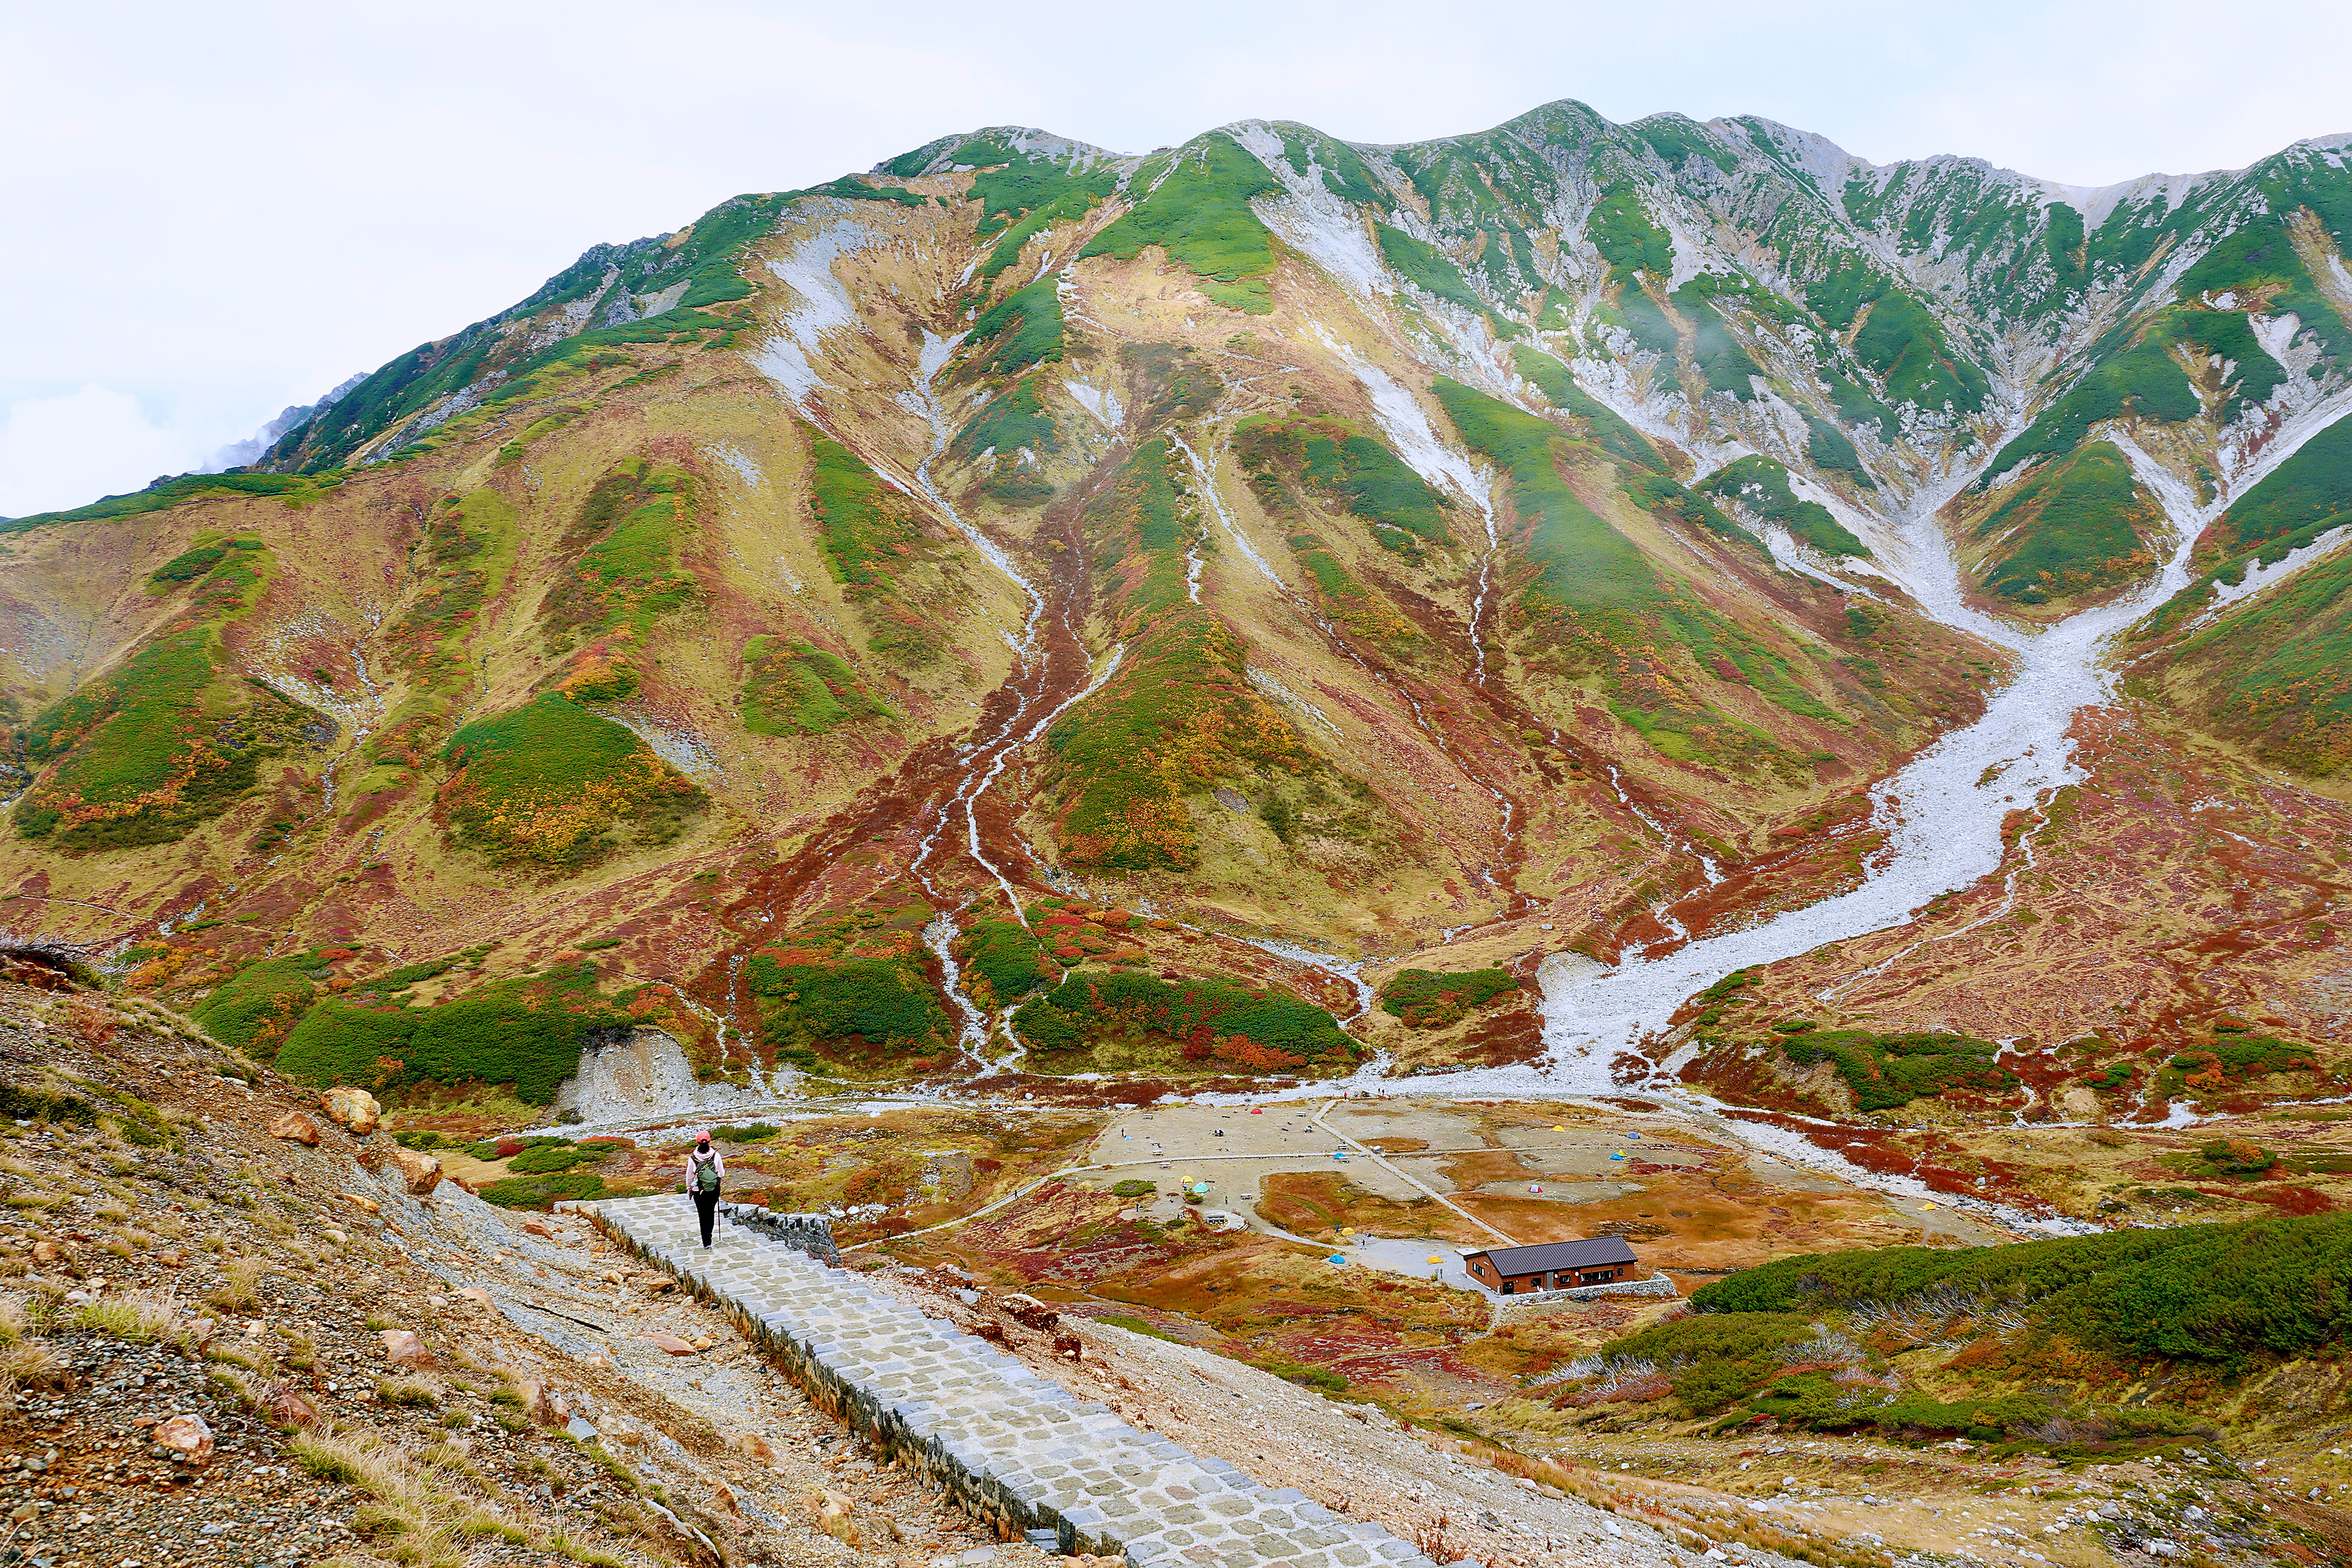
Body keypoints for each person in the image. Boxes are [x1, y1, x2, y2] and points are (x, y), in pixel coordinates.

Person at [685, 1131, 725, 1247]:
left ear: (697, 1142)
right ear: (709, 1141)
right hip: (713, 1190)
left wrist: (689, 1189)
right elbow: (721, 1173)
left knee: (702, 1216)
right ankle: (710, 1235)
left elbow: (689, 1176)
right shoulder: (716, 1156)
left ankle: (706, 1242)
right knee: (710, 1213)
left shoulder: (692, 1158)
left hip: (698, 1191)